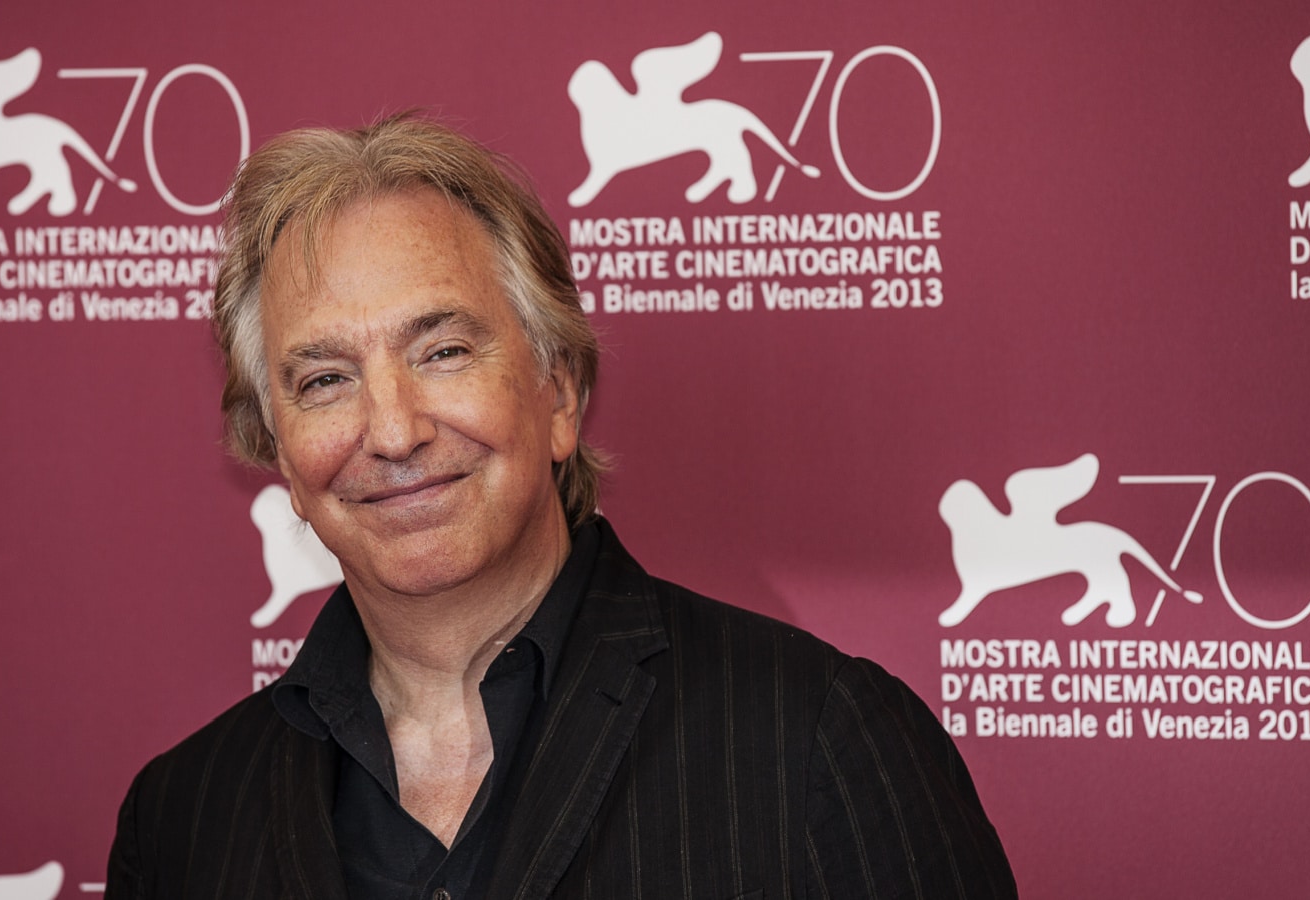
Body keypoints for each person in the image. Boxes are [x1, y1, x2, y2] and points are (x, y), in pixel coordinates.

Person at [107, 112, 1015, 899]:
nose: (392, 431)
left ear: (562, 393)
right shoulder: (183, 819)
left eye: (444, 352)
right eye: (325, 379)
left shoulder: (820, 738)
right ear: (280, 454)